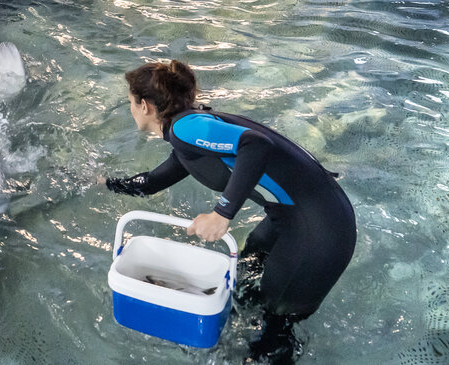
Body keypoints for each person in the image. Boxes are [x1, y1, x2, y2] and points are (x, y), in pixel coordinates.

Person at [105, 60, 356, 363]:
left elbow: (256, 145)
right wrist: (104, 182)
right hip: (297, 217)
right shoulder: (187, 135)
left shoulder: (185, 128)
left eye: (130, 102)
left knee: (275, 325)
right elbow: (152, 182)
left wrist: (221, 213)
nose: (131, 109)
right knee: (248, 273)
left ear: (144, 105)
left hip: (320, 230)